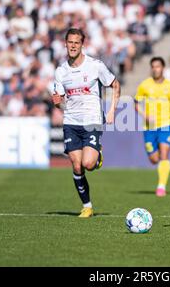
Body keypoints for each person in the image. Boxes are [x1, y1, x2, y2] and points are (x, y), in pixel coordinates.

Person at [52, 28, 120, 218]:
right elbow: (62, 103)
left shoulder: (95, 66)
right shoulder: (61, 72)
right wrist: (58, 104)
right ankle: (87, 206)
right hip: (71, 122)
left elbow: (115, 84)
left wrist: (113, 109)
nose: (73, 46)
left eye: (77, 43)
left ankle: (97, 156)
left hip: (92, 120)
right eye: (70, 42)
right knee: (76, 166)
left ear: (82, 45)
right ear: (65, 44)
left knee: (88, 163)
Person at [134, 57, 170, 197]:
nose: (155, 69)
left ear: (163, 68)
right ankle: (161, 167)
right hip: (149, 127)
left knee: (164, 155)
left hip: (166, 124)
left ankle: (161, 186)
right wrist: (144, 115)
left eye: (158, 66)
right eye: (153, 66)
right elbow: (136, 103)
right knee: (154, 159)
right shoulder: (145, 85)